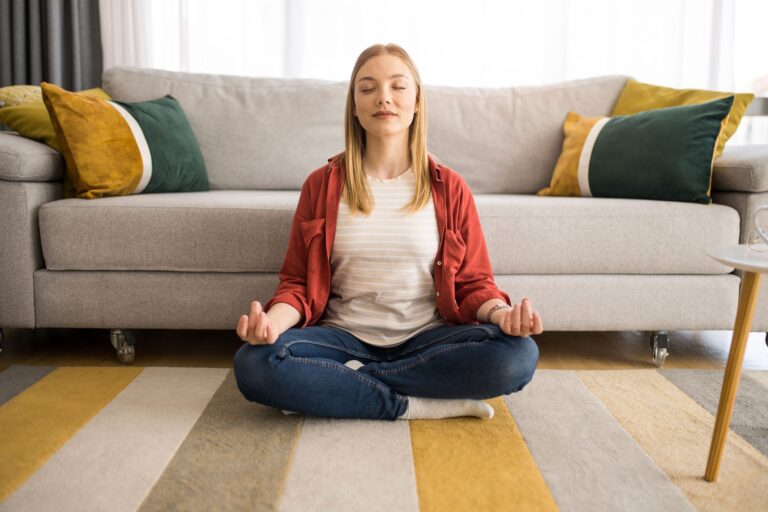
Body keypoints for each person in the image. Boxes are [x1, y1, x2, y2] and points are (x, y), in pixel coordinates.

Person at [233, 43, 543, 421]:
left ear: (416, 102)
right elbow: (297, 282)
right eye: (367, 88)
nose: (384, 98)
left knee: (518, 355)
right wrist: (270, 325)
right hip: (341, 339)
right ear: (354, 105)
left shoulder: (450, 187)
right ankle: (410, 405)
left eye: (398, 87)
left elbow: (474, 282)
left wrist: (502, 314)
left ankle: (344, 386)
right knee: (255, 363)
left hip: (427, 341)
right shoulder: (321, 185)